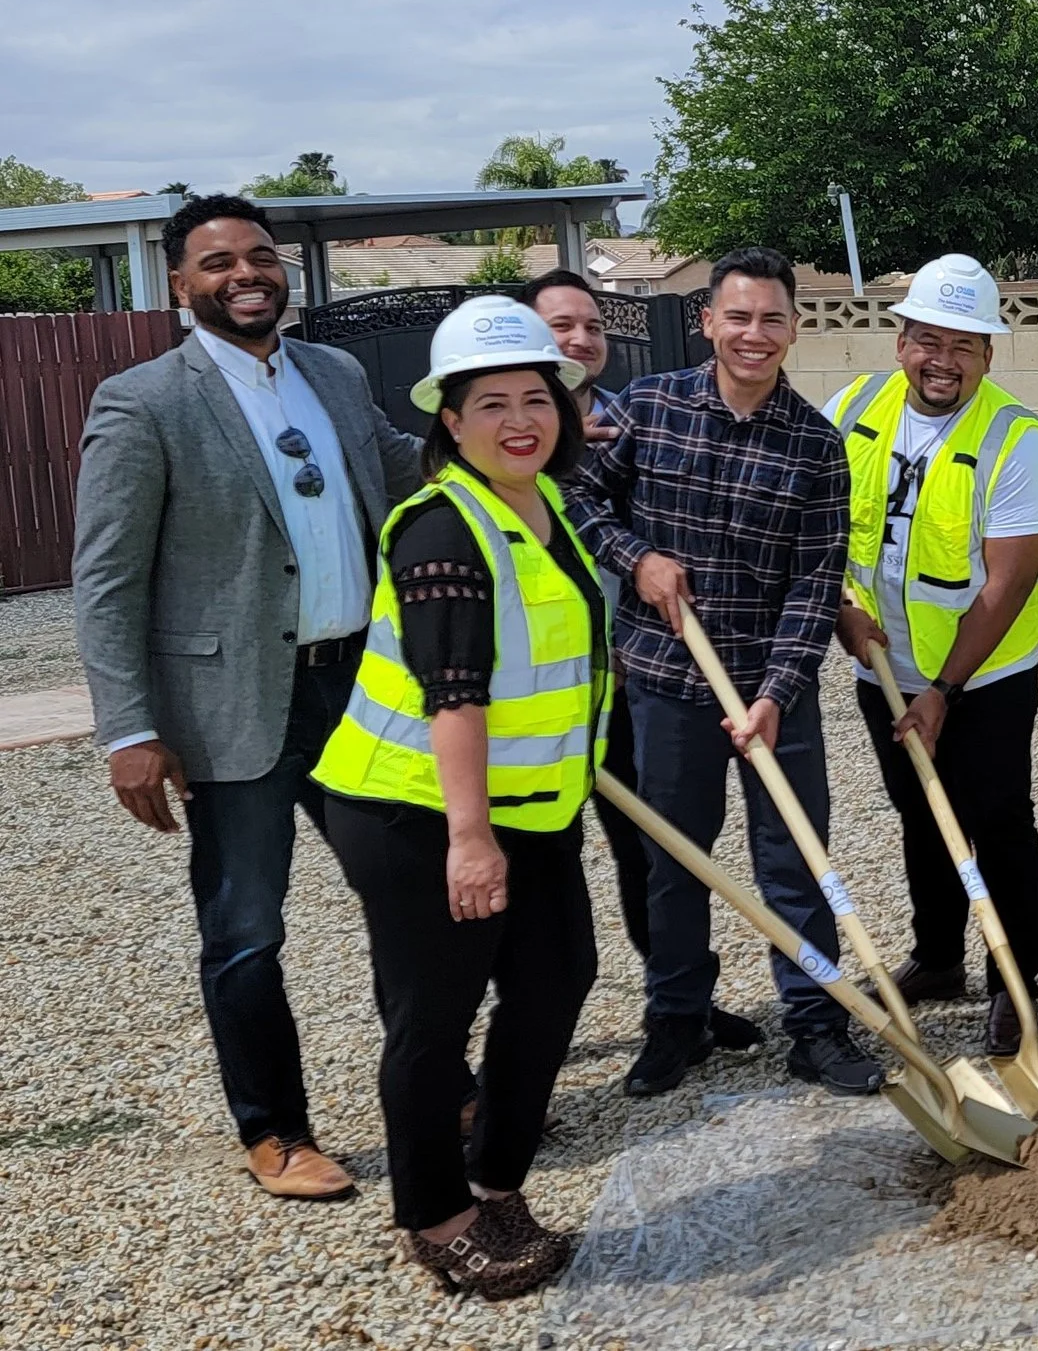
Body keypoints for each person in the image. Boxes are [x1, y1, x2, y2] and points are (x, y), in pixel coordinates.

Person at [73, 194, 422, 1201]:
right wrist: (130, 726)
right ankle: (274, 1128)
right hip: (233, 709)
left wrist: (522, 437)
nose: (246, 274)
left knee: (403, 896)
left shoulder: (337, 372)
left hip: (359, 686)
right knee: (246, 927)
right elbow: (105, 578)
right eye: (218, 261)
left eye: (259, 256)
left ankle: (435, 1082)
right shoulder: (145, 402)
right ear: (181, 284)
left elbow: (403, 476)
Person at [310, 297, 604, 1296]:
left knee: (559, 973)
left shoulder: (542, 503)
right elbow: (455, 694)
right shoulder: (441, 528)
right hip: (416, 812)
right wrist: (470, 839)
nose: (519, 418)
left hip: (529, 808)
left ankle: (494, 1178)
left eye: (536, 396)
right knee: (434, 1017)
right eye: (491, 403)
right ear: (449, 418)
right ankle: (435, 1213)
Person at [573, 247, 880, 1099]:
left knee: (795, 857)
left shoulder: (817, 446)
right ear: (707, 320)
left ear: (794, 328)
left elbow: (815, 582)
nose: (755, 334)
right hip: (669, 680)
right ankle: (677, 1019)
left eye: (772, 319)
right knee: (677, 859)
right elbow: (580, 497)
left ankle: (815, 1023)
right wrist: (637, 561)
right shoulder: (648, 407)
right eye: (738, 317)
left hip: (773, 688)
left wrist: (776, 693)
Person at [515, 269, 761, 1056]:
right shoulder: (496, 441)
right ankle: (525, 1036)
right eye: (561, 326)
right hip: (528, 699)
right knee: (533, 866)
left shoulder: (629, 423)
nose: (581, 340)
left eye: (591, 326)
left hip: (629, 680)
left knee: (651, 851)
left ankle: (678, 1000)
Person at [825, 254, 1038, 1060]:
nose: (943, 360)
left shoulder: (1017, 438)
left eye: (964, 345)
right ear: (901, 342)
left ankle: (1014, 982)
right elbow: (817, 535)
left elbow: (1008, 582)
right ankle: (939, 955)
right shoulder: (853, 409)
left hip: (982, 680)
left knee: (995, 824)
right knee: (919, 815)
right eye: (928, 339)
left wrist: (944, 690)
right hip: (878, 668)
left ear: (989, 355)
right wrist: (842, 618)